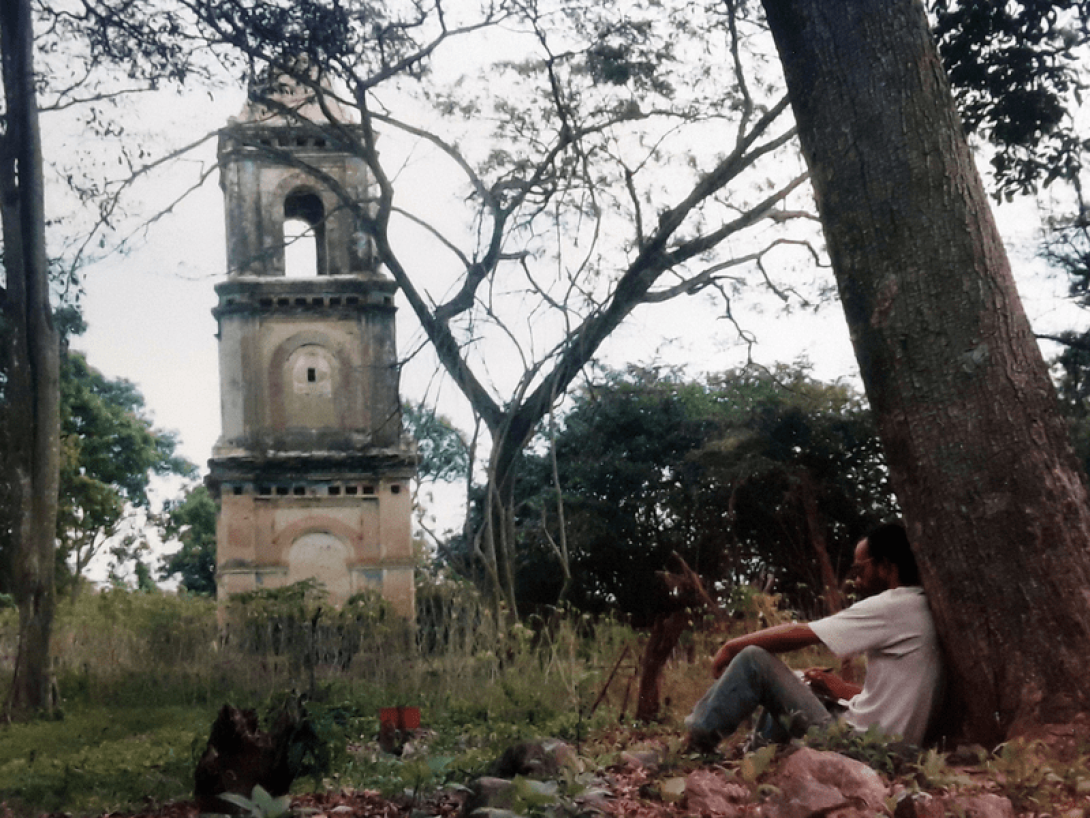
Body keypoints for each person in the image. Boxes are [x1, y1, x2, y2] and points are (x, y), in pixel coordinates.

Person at [685, 522, 943, 752]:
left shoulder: (893, 605)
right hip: (892, 747)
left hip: (861, 748)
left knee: (754, 660)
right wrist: (838, 688)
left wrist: (731, 647)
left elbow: (804, 633)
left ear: (886, 565)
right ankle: (757, 751)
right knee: (801, 681)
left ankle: (695, 746)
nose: (856, 579)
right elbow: (894, 701)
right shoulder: (922, 606)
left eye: (860, 569)